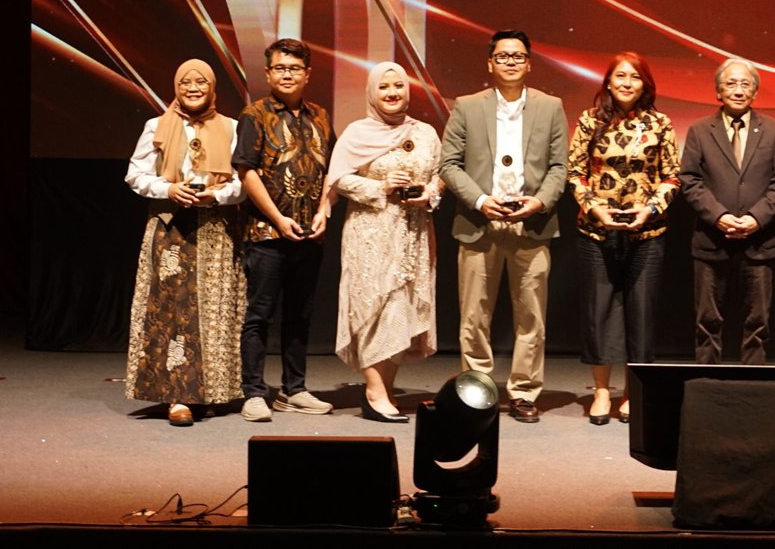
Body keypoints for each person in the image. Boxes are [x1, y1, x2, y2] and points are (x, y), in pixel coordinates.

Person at [440, 30, 569, 424]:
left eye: (517, 56)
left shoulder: (550, 106)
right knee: (474, 317)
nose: (510, 62)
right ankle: (475, 391)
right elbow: (449, 165)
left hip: (532, 224)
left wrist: (538, 202)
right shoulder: (467, 106)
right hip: (480, 222)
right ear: (490, 63)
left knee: (531, 317)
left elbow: (559, 167)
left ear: (528, 64)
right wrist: (481, 200)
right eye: (502, 56)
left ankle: (524, 392)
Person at [123, 59, 246, 426]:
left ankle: (212, 391)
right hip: (170, 229)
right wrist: (169, 189)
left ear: (212, 88)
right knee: (172, 312)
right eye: (185, 82)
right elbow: (135, 174)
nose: (193, 88)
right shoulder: (157, 126)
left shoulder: (231, 127)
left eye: (201, 82)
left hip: (215, 229)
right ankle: (178, 395)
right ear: (176, 87)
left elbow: (242, 182)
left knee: (214, 310)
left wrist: (217, 195)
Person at [322, 62, 443, 423]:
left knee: (400, 311)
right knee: (373, 308)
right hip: (371, 234)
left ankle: (383, 390)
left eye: (398, 86)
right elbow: (339, 179)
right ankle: (375, 392)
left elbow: (439, 176)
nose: (392, 93)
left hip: (413, 234)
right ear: (372, 93)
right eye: (384, 87)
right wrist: (381, 186)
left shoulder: (425, 133)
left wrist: (429, 193)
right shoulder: (357, 133)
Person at [568, 52, 680, 425]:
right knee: (599, 312)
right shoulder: (590, 120)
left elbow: (672, 176)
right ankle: (601, 391)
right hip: (597, 231)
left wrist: (651, 209)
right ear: (608, 81)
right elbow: (575, 173)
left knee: (642, 313)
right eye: (620, 76)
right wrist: (593, 208)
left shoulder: (660, 123)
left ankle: (634, 392)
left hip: (647, 232)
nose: (627, 83)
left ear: (645, 84)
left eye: (634, 77)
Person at [233, 38, 337, 422]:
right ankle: (253, 392)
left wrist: (325, 209)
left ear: (307, 74)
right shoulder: (254, 115)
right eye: (280, 68)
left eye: (294, 68)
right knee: (259, 314)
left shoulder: (320, 116)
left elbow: (333, 170)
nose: (287, 74)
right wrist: (278, 218)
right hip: (266, 234)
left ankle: (294, 389)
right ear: (268, 73)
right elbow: (246, 171)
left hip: (310, 234)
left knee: (300, 315)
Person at [679, 58, 775, 364]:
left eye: (746, 84)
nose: (739, 90)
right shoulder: (699, 130)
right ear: (718, 91)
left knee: (758, 322)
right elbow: (689, 179)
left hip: (759, 241)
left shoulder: (773, 130)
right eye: (731, 84)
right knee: (707, 320)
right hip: (711, 240)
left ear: (755, 92)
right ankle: (707, 379)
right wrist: (718, 216)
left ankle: (752, 381)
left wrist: (756, 218)